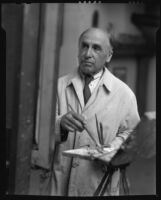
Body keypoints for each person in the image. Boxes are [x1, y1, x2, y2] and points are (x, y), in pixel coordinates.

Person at [51, 28, 140, 196]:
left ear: (109, 55)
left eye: (96, 48)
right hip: (60, 182)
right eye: (84, 46)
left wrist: (112, 150)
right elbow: (37, 134)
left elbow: (131, 135)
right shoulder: (58, 87)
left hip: (99, 183)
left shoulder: (124, 94)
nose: (88, 54)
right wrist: (60, 124)